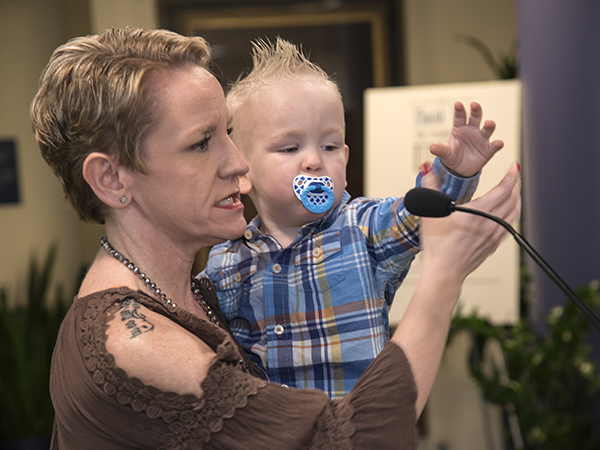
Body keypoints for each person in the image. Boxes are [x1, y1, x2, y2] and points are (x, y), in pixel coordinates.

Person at [31, 27, 520, 449]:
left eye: (227, 132)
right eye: (202, 143)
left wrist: (451, 180)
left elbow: (414, 212)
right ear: (112, 179)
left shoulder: (192, 290)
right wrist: (445, 272)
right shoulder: (135, 342)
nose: (238, 164)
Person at [203, 38, 505, 397]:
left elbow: (417, 216)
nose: (314, 161)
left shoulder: (363, 228)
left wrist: (455, 173)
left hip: (358, 428)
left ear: (345, 157)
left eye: (329, 146)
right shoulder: (225, 258)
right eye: (290, 148)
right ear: (243, 169)